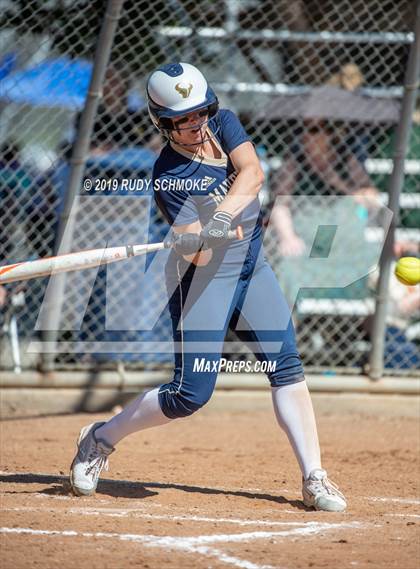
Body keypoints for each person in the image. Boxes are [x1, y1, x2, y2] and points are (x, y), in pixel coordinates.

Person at [69, 62, 346, 512]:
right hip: (201, 282)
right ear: (162, 123)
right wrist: (197, 237)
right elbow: (198, 256)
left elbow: (252, 173)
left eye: (199, 113)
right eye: (182, 119)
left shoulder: (222, 122)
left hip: (251, 270)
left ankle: (315, 477)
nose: (195, 124)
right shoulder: (168, 176)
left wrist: (217, 220)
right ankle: (99, 439)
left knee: (286, 365)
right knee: (189, 396)